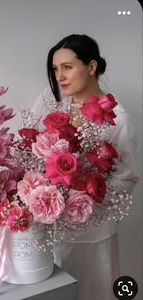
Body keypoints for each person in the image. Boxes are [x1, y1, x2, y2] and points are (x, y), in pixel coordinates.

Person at [31, 34, 139, 300]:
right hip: (48, 228)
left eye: (67, 67)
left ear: (91, 67)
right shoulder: (52, 100)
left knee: (94, 292)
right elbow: (32, 146)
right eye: (56, 69)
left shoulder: (117, 118)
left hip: (92, 235)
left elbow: (127, 179)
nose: (59, 76)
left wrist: (81, 195)